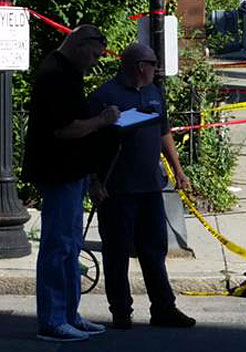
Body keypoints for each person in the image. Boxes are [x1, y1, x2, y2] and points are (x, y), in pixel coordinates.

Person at [22, 25, 119, 342]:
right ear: (78, 44)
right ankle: (52, 320)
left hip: (72, 170)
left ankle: (69, 314)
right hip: (58, 171)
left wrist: (91, 174)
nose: (94, 61)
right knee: (58, 246)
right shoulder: (55, 76)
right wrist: (102, 121)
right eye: (93, 54)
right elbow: (65, 130)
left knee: (70, 246)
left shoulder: (69, 72)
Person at [87, 43, 195, 330]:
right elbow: (88, 144)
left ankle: (164, 308)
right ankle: (121, 311)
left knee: (153, 250)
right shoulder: (104, 97)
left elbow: (164, 133)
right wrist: (94, 181)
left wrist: (178, 171)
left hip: (150, 188)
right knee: (117, 252)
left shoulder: (153, 92)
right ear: (139, 66)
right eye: (153, 64)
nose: (156, 69)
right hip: (117, 190)